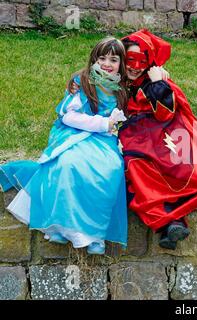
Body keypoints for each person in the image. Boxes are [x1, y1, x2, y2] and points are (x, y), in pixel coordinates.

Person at [0, 37, 129, 254]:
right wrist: (101, 123)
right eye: (102, 58)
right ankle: (59, 226)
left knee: (112, 169)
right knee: (67, 163)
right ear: (94, 60)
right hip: (75, 133)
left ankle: (94, 234)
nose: (107, 64)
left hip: (104, 140)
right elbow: (69, 117)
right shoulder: (83, 82)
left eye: (113, 59)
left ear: (121, 64)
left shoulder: (120, 88)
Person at [118, 29, 197, 250]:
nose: (135, 66)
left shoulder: (154, 82)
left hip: (161, 134)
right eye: (131, 59)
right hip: (133, 138)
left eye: (142, 60)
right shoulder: (117, 80)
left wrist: (158, 84)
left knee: (156, 165)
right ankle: (171, 223)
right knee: (132, 165)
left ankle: (169, 222)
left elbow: (166, 113)